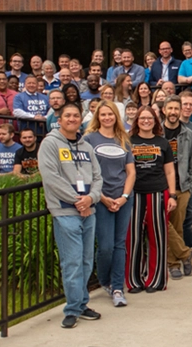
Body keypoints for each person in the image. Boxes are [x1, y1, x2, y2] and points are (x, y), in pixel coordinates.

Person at [38, 102, 103, 328]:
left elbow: (98, 177)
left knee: (86, 260)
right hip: (65, 211)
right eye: (68, 115)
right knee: (72, 261)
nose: (72, 119)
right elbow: (51, 177)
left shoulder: (86, 147)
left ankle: (81, 303)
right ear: (61, 119)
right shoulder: (50, 144)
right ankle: (72, 309)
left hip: (88, 211)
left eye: (76, 115)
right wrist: (78, 201)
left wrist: (90, 199)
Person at [82, 100, 135, 306]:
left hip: (122, 198)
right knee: (105, 246)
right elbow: (86, 172)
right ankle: (104, 280)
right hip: (100, 199)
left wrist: (124, 197)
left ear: (116, 117)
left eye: (110, 114)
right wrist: (102, 197)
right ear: (97, 117)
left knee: (119, 244)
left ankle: (117, 287)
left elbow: (131, 172)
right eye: (103, 114)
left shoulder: (124, 139)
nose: (107, 118)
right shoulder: (89, 139)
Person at [125, 107, 177, 293]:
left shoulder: (162, 143)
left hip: (158, 192)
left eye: (150, 118)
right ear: (136, 120)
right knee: (133, 238)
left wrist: (172, 195)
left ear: (155, 121)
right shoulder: (128, 142)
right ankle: (134, 280)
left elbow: (170, 171)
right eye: (142, 118)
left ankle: (156, 280)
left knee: (157, 237)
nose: (146, 121)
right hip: (134, 194)